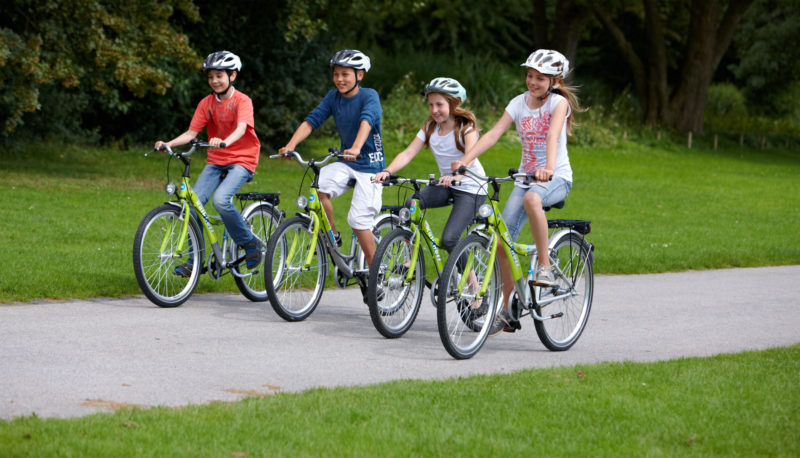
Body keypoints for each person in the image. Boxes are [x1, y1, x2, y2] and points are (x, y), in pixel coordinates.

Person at [451, 49, 583, 333]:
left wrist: (547, 167)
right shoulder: (518, 103)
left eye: (540, 78)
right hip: (525, 178)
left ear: (555, 81)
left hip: (555, 177)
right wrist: (466, 159)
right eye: (530, 75)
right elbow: (494, 133)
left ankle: (545, 265)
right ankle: (510, 307)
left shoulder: (558, 104)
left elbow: (551, 134)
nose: (532, 81)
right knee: (500, 242)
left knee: (533, 197)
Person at [154, 50, 263, 276]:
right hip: (217, 160)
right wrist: (169, 144)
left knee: (221, 200)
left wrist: (224, 141)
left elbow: (241, 128)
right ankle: (195, 261)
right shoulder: (207, 103)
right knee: (193, 205)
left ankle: (250, 242)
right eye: (211, 76)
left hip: (242, 159)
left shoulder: (243, 101)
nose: (214, 81)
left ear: (233, 76)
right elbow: (191, 133)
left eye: (219, 76)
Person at [279, 49, 385, 270]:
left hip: (370, 167)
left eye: (345, 74)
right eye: (336, 74)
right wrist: (291, 144)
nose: (339, 79)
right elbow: (313, 120)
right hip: (347, 162)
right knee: (318, 189)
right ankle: (333, 235)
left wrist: (356, 147)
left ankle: (376, 270)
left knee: (358, 221)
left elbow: (367, 120)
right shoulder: (332, 97)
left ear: (360, 75)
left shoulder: (369, 96)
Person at [374, 76, 486, 257]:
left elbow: (470, 157)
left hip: (472, 188)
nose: (434, 110)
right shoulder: (429, 127)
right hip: (446, 184)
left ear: (453, 103)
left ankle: (471, 283)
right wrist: (388, 171)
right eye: (431, 105)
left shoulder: (466, 128)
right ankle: (412, 258)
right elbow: (408, 153)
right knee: (412, 202)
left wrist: (458, 174)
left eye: (439, 104)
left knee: (449, 239)